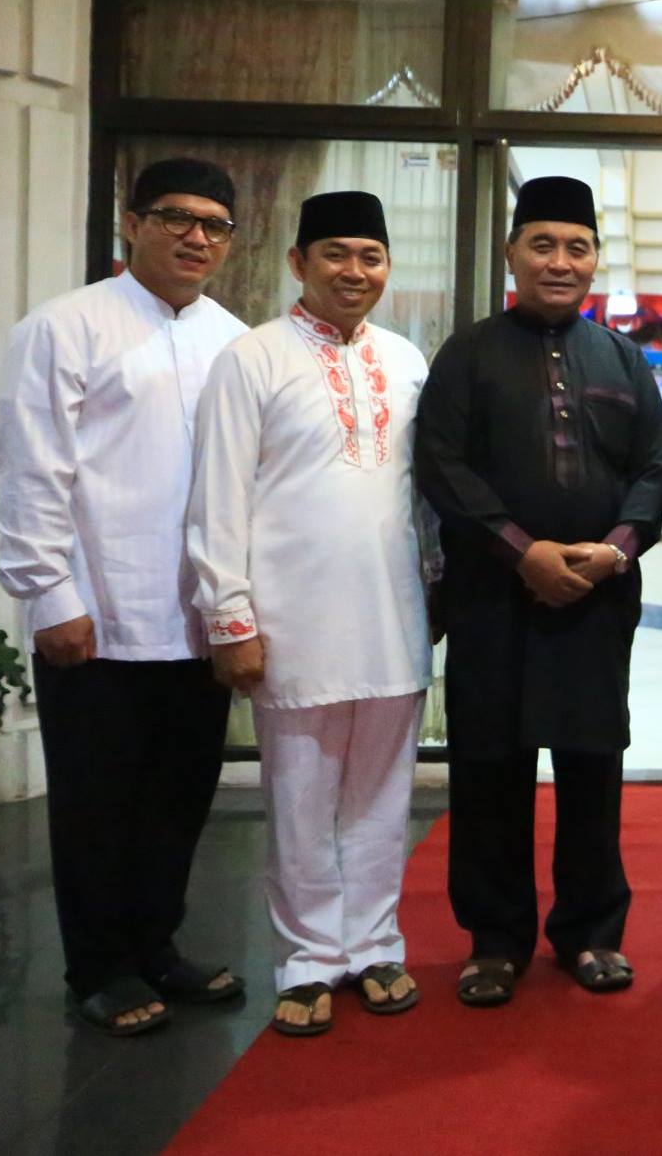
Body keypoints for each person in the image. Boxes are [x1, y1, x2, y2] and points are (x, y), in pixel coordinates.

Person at [0, 157, 249, 1036]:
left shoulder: (232, 337)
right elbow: (30, 469)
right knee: (97, 802)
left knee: (180, 795)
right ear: (130, 223)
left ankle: (157, 945)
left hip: (199, 614)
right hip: (95, 613)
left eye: (215, 224)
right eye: (176, 217)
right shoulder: (64, 327)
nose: (196, 236)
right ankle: (98, 965)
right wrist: (48, 593)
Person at [414, 175, 662, 1007]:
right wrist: (521, 552)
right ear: (512, 254)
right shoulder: (468, 353)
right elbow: (442, 467)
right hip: (494, 601)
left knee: (593, 767)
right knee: (489, 769)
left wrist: (614, 550)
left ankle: (593, 933)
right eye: (543, 244)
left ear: (596, 258)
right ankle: (495, 939)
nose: (561, 262)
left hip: (596, 603)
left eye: (577, 247)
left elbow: (652, 468)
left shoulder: (624, 357)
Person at [187, 191, 433, 1037]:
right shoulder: (252, 358)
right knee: (298, 798)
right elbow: (217, 497)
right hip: (290, 624)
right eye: (335, 253)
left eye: (370, 255)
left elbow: (421, 499)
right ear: (298, 262)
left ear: (387, 267)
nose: (354, 271)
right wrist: (231, 617)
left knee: (379, 797)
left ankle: (372, 944)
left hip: (395, 617)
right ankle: (305, 960)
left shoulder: (407, 362)